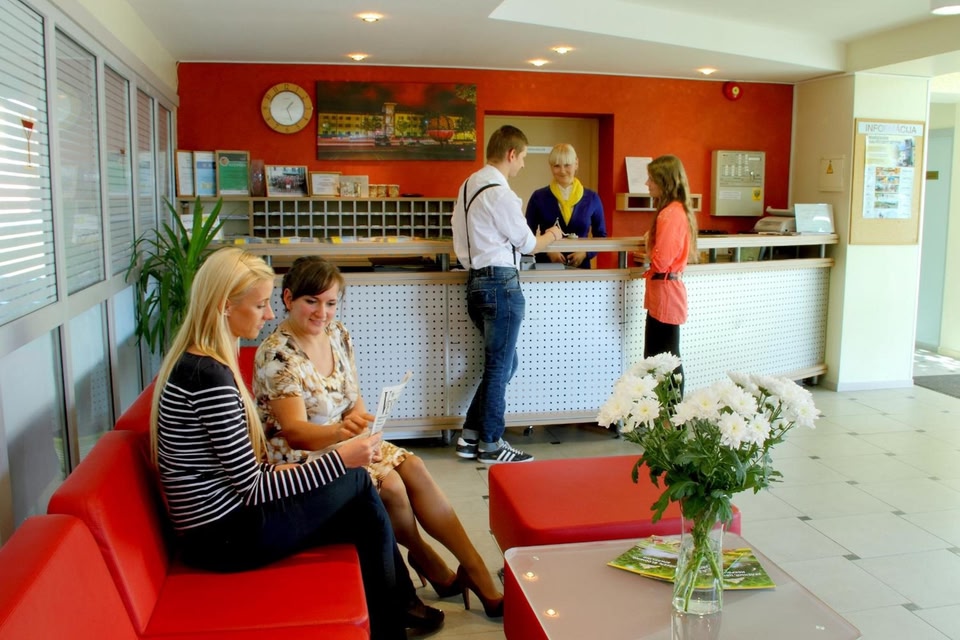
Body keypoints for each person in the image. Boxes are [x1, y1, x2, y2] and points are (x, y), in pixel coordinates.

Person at [148, 247, 442, 640]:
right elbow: (253, 488)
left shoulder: (198, 364)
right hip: (223, 539)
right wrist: (340, 459)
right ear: (224, 306)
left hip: (221, 526)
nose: (269, 314)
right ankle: (398, 611)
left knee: (359, 501)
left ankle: (396, 611)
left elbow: (239, 473)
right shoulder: (210, 379)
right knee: (357, 484)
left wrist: (313, 468)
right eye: (259, 305)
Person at [254, 256, 505, 618]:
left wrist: (363, 427)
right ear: (288, 298)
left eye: (330, 303)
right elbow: (295, 434)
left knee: (414, 466)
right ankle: (429, 561)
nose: (322, 313)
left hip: (342, 442)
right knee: (392, 487)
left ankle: (475, 569)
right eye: (312, 301)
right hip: (301, 460)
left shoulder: (338, 334)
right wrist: (344, 433)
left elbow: (352, 398)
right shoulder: (277, 355)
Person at [451, 124, 563, 463]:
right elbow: (528, 244)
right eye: (523, 157)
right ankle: (491, 444)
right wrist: (553, 236)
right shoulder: (500, 193)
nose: (524, 164)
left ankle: (470, 435)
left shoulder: (467, 186)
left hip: (475, 283)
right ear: (511, 154)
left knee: (504, 362)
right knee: (500, 366)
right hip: (501, 284)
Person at [642, 154, 699, 395]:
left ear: (664, 181)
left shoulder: (670, 214)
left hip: (665, 294)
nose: (647, 184)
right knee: (661, 357)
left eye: (651, 179)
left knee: (664, 359)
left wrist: (648, 245)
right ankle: (667, 411)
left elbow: (661, 261)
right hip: (664, 293)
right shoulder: (675, 211)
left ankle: (670, 412)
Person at [525, 143, 607, 269]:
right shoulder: (538, 197)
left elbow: (601, 236)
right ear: (551, 167)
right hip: (546, 268)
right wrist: (547, 251)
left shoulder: (592, 198)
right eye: (557, 166)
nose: (562, 171)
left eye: (567, 165)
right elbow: (527, 235)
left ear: (576, 164)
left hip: (581, 270)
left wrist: (585, 253)